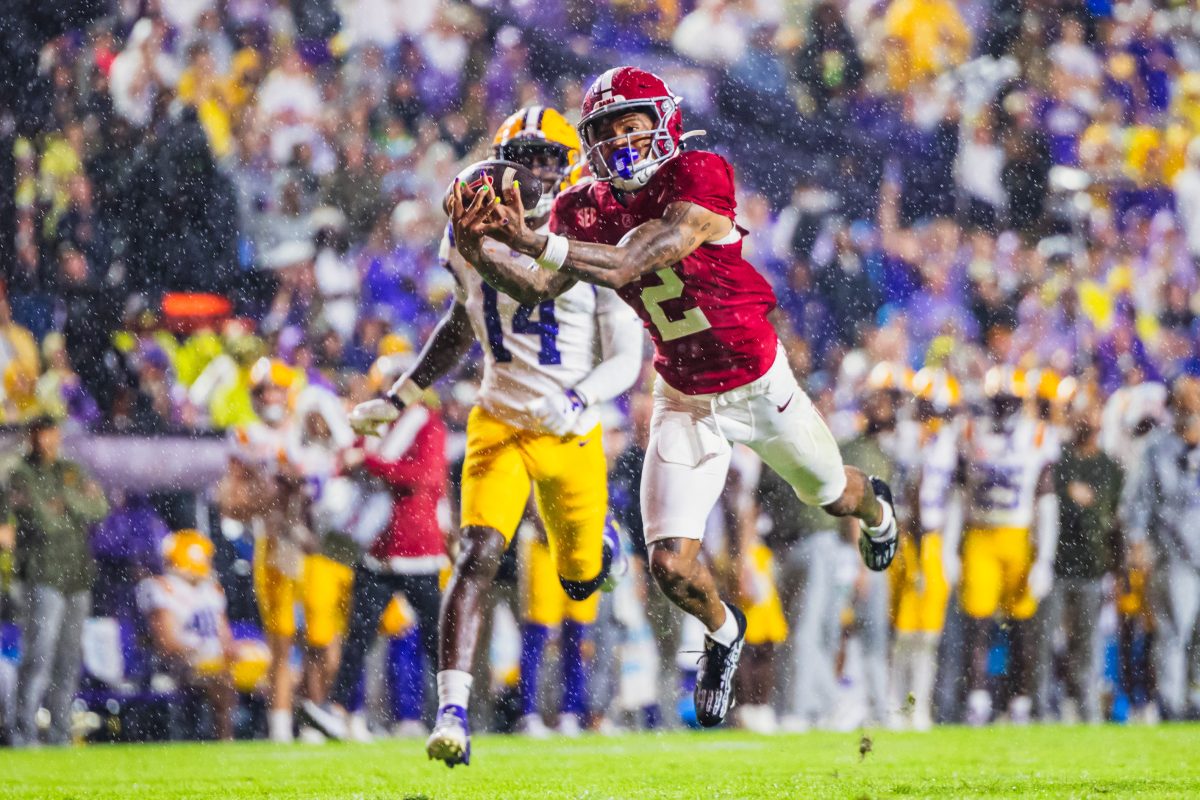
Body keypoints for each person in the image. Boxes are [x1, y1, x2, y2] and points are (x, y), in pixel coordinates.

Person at [446, 66, 899, 731]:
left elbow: (634, 260)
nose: (624, 143)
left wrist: (530, 240)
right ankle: (721, 631)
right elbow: (539, 289)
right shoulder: (582, 206)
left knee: (831, 493)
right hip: (684, 394)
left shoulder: (700, 174)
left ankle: (878, 511)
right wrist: (476, 248)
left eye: (634, 126)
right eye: (608, 132)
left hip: (757, 383)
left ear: (665, 123)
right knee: (668, 563)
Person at [349, 106, 644, 766]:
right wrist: (400, 398)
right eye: (528, 156)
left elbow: (570, 315)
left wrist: (582, 394)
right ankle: (451, 711)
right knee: (477, 552)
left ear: (570, 168)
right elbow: (465, 321)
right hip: (499, 421)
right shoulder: (465, 233)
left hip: (570, 428)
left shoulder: (588, 229)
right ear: (503, 160)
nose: (539, 170)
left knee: (578, 583)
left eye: (550, 158)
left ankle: (600, 545)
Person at [950, 367, 1059, 725]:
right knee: (977, 623)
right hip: (981, 533)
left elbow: (1046, 501)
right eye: (997, 401)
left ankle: (1020, 700)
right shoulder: (969, 432)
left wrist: (1044, 557)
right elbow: (958, 496)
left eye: (1007, 401)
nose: (1001, 408)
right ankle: (978, 699)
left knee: (1023, 627)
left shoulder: (1038, 435)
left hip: (1018, 534)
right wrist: (951, 547)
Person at [9, 416, 110, 746]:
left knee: (69, 659)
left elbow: (99, 508)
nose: (47, 440)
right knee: (39, 655)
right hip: (43, 573)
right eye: (40, 433)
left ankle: (60, 734)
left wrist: (66, 502)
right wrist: (72, 503)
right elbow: (41, 521)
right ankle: (22, 732)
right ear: (31, 436)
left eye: (51, 432)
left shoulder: (70, 469)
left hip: (77, 574)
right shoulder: (21, 473)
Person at [1120, 375, 1200, 721]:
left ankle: (1195, 697)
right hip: (1174, 553)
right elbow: (1138, 502)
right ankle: (1172, 702)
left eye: (1195, 398)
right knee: (1174, 630)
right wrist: (1137, 542)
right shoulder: (1158, 448)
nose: (1191, 406)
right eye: (1184, 400)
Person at [1045, 392, 1122, 724]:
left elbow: (1117, 522)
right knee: (1050, 642)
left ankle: (1086, 707)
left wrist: (1118, 571)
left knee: (1087, 645)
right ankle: (1046, 706)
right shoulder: (1060, 462)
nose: (1088, 422)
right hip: (1057, 563)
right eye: (1083, 415)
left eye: (1093, 415)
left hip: (1092, 565)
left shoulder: (1109, 467)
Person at [889, 368, 960, 731]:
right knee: (903, 634)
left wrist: (949, 547)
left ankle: (916, 706)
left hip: (932, 539)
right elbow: (914, 493)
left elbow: (955, 494)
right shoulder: (908, 437)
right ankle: (898, 706)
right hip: (907, 539)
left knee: (926, 635)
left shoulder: (948, 441)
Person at [137, 530, 237, 741]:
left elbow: (225, 637)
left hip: (212, 661)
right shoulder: (162, 588)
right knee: (221, 681)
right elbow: (167, 642)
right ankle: (224, 739)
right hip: (178, 663)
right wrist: (199, 652)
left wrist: (231, 653)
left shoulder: (210, 590)